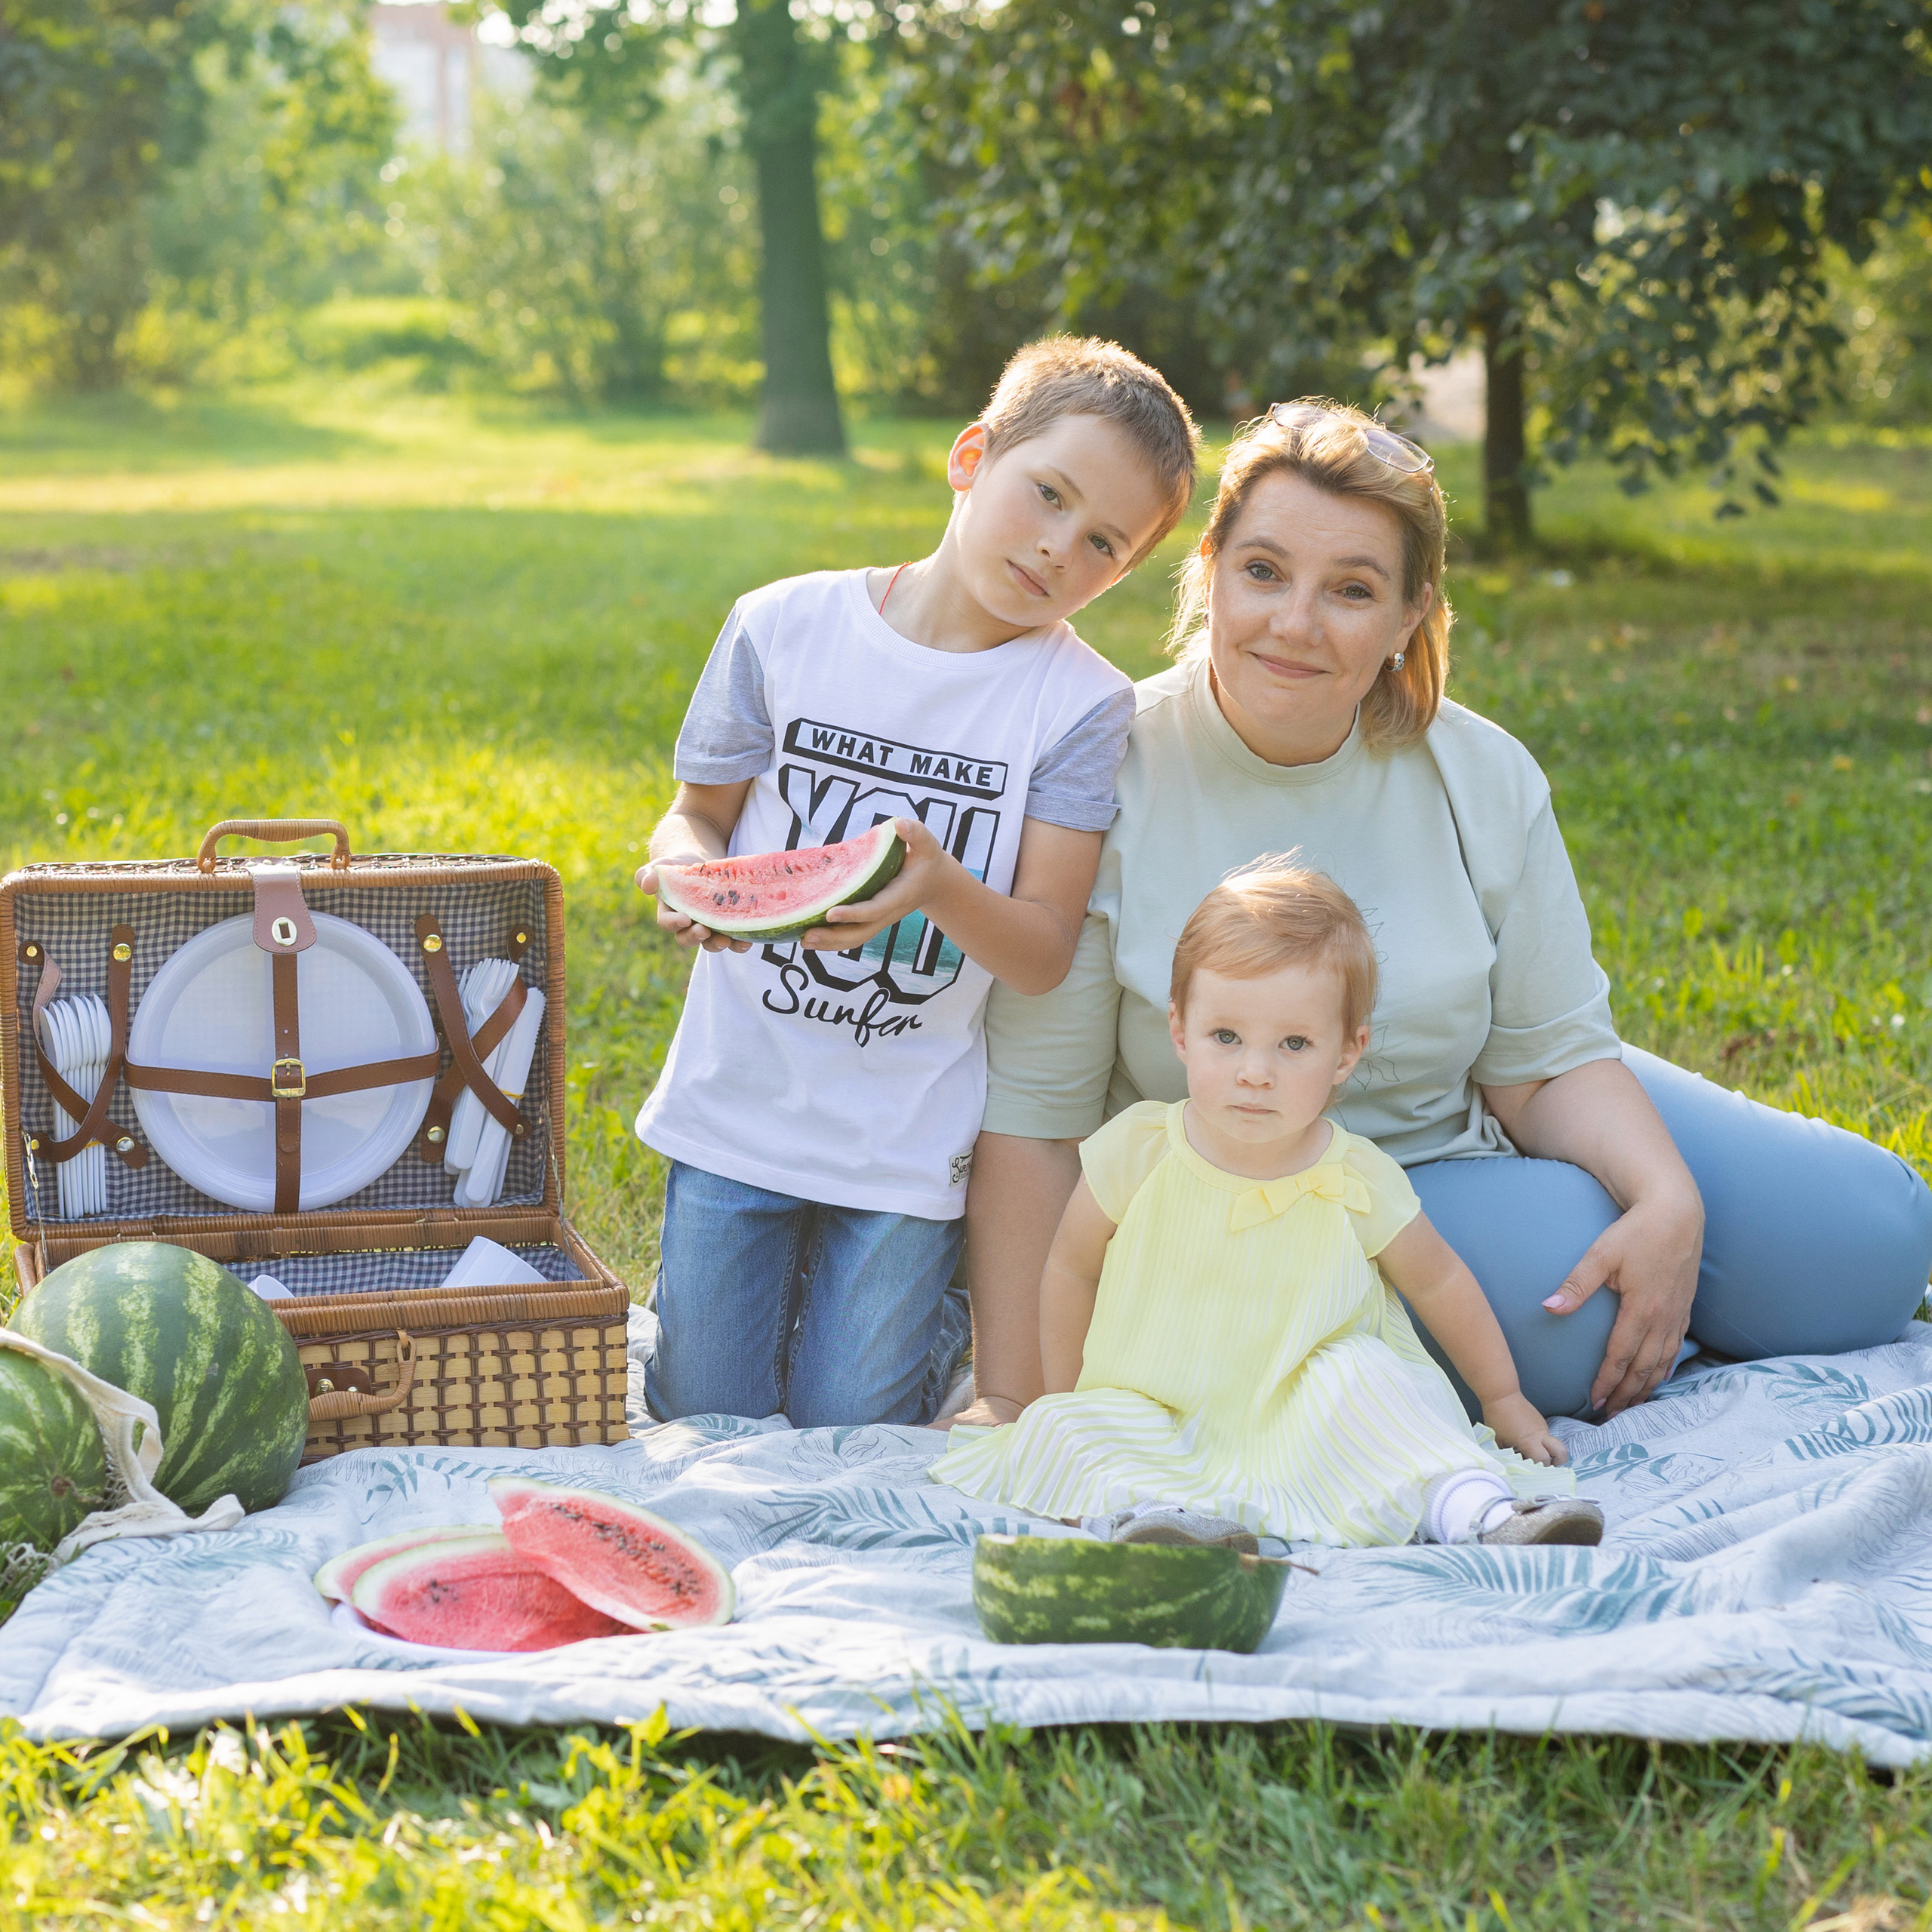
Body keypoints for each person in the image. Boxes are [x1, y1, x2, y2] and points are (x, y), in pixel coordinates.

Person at [949, 401, 1932, 1434]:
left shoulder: (1479, 770)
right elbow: (1036, 1124)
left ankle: (1680, 1263)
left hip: (1481, 1097)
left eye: (1352, 590)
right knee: (1573, 1292)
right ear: (1210, 570)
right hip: (1257, 1194)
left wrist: (1667, 1198)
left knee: (1868, 1245)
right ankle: (1634, 1282)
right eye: (1264, 572)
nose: (1295, 623)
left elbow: (1544, 1058)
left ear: (1410, 613)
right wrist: (1018, 1397)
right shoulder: (1101, 776)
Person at [634, 337, 1201, 1429]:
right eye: (1047, 494)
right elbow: (696, 813)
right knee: (703, 1411)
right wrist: (688, 871)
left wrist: (938, 885)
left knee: (856, 1420)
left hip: (905, 1143)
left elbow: (1041, 953)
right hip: (737, 1105)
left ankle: (939, 1319)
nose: (1058, 547)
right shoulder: (780, 626)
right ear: (970, 457)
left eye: (1102, 543)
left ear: (1123, 573)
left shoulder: (1081, 705)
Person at [929, 863, 1605, 1549]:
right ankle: (1155, 1520)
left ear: (1346, 1053)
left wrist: (1502, 1397)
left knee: (1372, 1383)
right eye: (1226, 1037)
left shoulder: (1353, 1174)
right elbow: (1071, 1269)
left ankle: (1479, 1511)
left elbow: (1440, 1282)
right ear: (1180, 1030)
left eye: (1294, 1044)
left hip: (1306, 1406)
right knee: (1066, 1427)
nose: (1255, 1072)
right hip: (1156, 1398)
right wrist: (1070, 1393)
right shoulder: (1140, 1149)